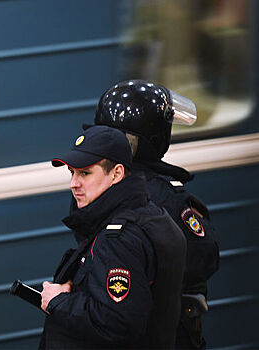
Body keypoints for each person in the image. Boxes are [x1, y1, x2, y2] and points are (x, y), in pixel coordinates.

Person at [94, 80, 220, 349]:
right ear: (155, 137)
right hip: (167, 332)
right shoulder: (167, 198)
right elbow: (204, 257)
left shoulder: (95, 187)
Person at [39, 125, 186, 349]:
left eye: (85, 173)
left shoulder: (119, 238)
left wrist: (58, 302)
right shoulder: (151, 214)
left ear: (116, 173)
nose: (73, 184)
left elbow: (115, 323)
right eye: (72, 173)